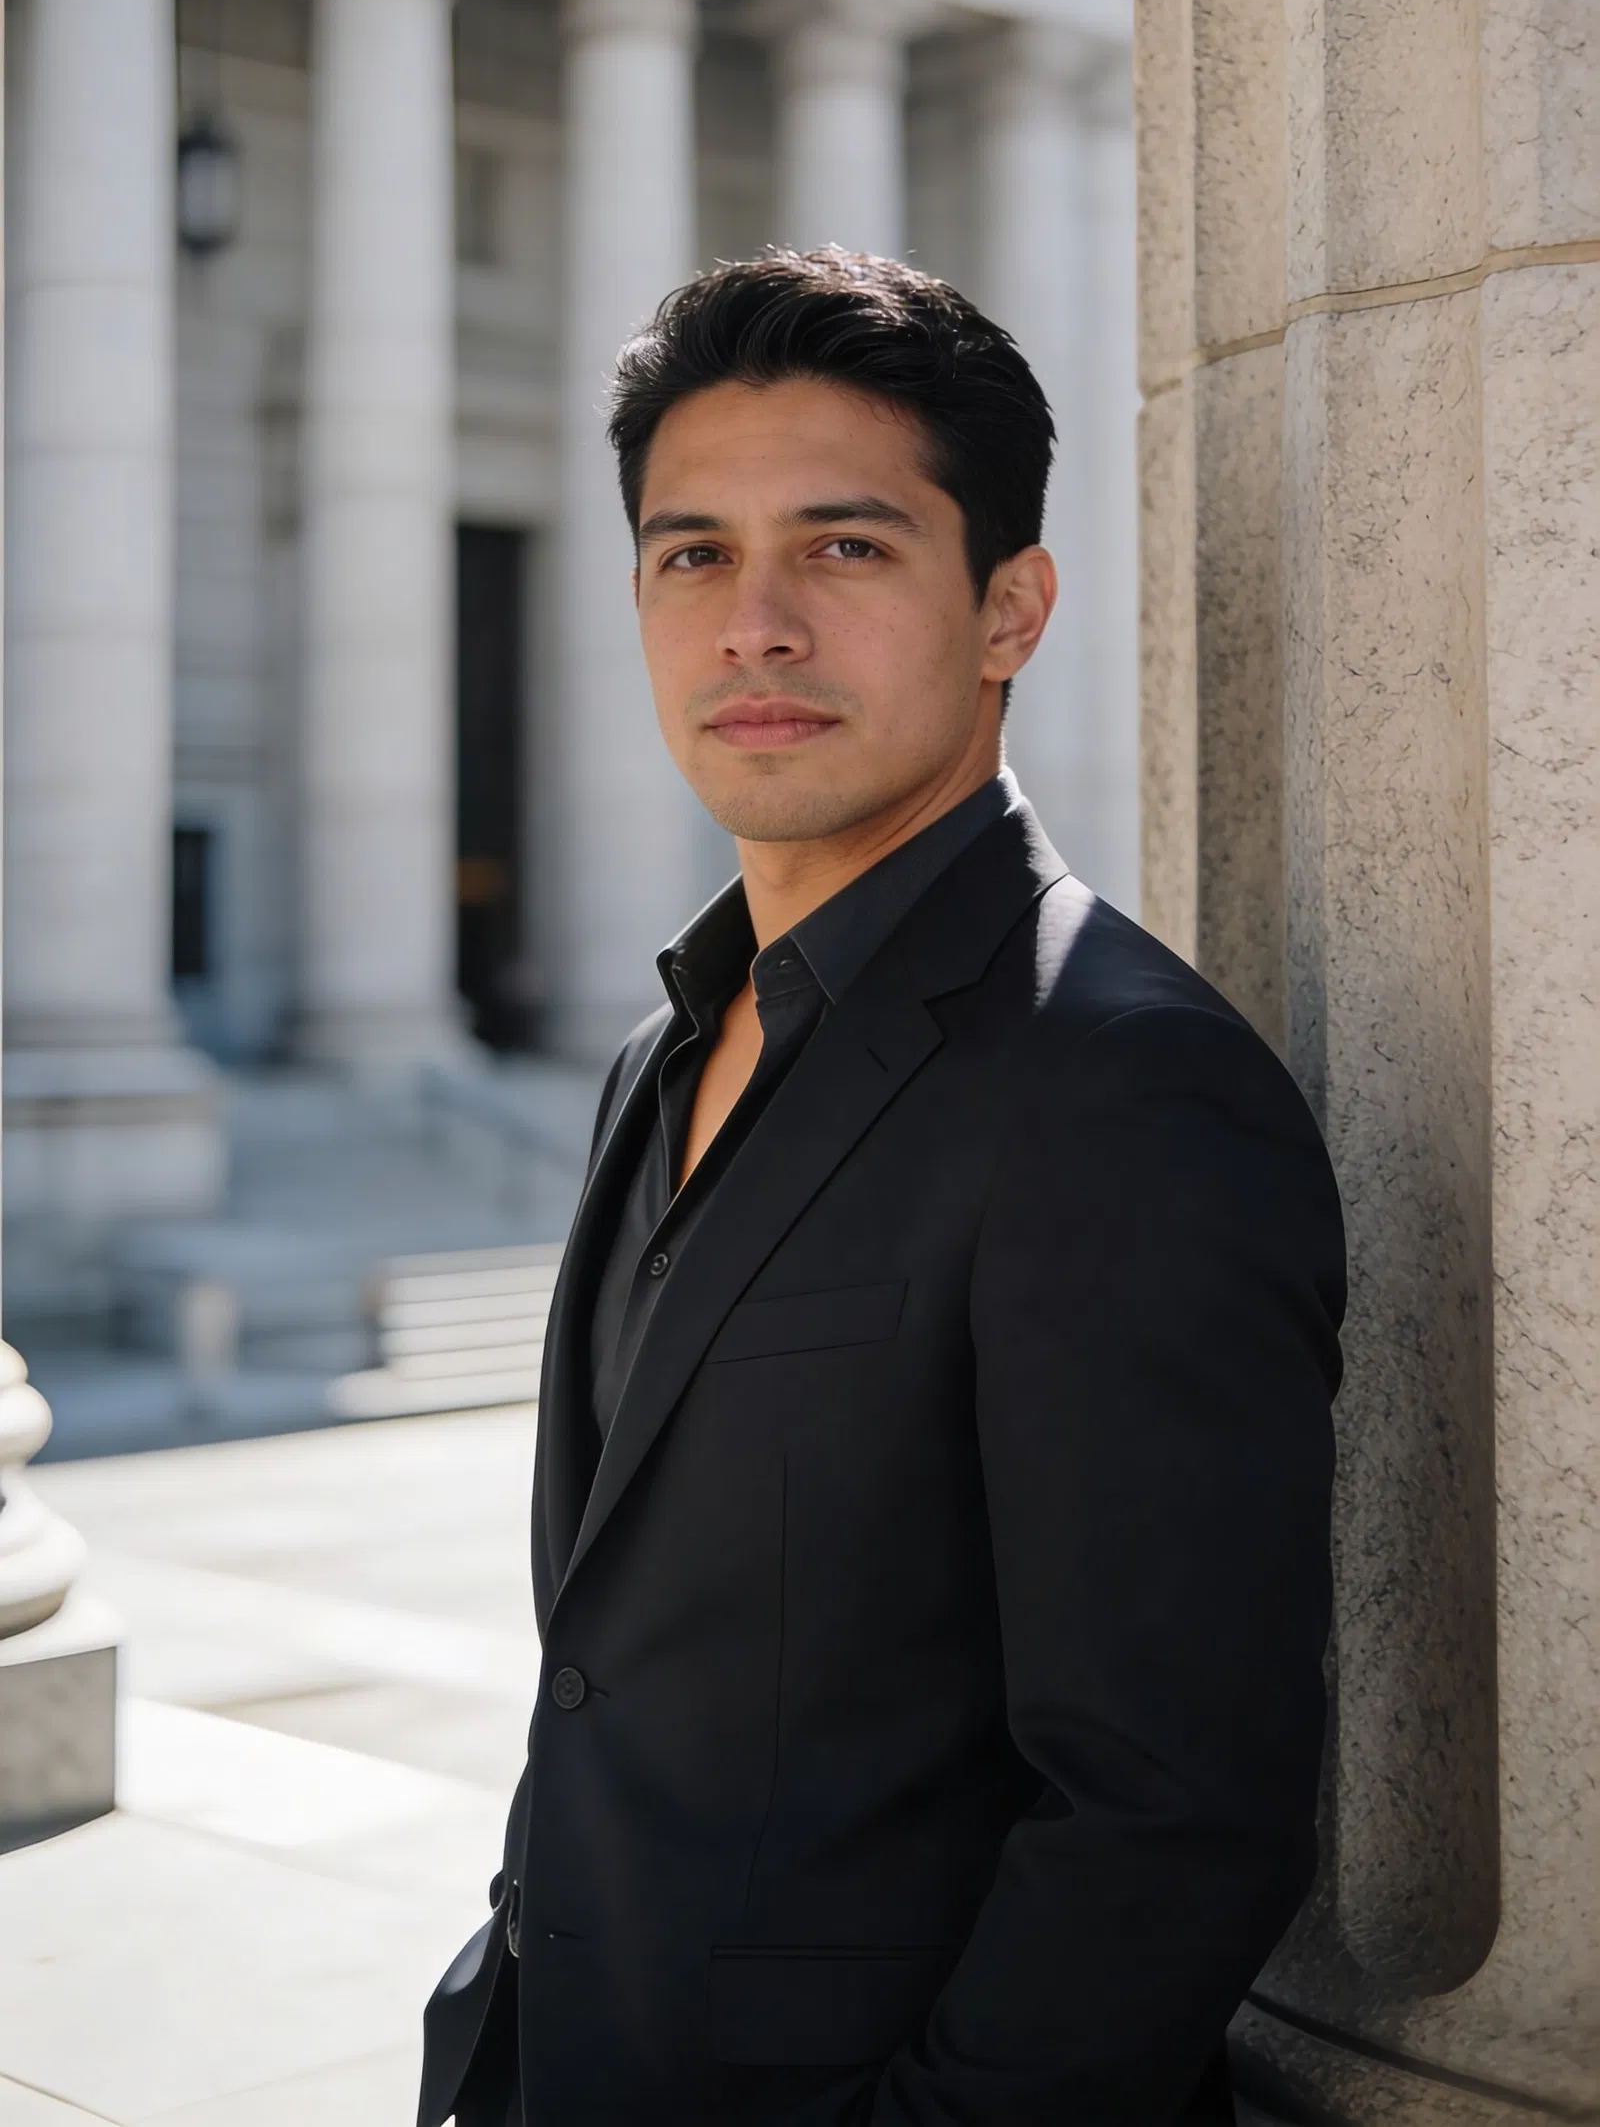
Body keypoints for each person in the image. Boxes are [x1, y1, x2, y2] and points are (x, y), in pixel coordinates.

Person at [420, 248, 1345, 2127]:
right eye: (694, 555)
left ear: (1011, 609)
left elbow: (1170, 1811)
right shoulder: (667, 1047)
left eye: (843, 548)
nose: (753, 626)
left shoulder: (1126, 1086)